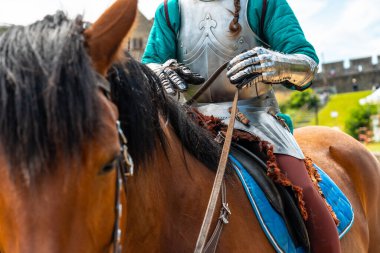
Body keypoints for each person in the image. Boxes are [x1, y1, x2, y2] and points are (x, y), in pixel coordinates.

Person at [142, 0, 340, 252]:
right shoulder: (170, 11)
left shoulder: (262, 3)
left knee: (304, 192)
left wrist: (274, 64)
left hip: (257, 120)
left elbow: (307, 62)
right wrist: (157, 73)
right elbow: (148, 64)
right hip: (187, 125)